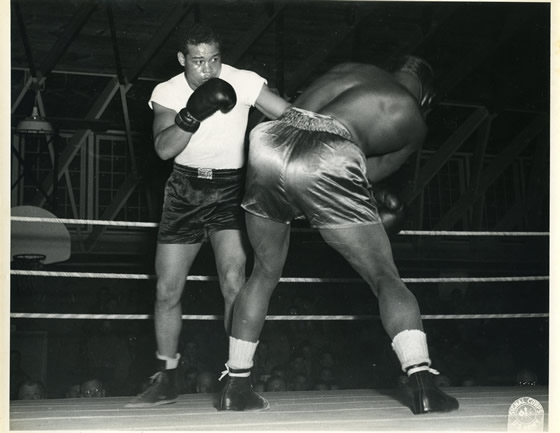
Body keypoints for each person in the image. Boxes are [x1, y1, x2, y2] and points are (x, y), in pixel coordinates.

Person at [217, 57, 459, 415]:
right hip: (329, 152)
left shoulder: (353, 69)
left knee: (263, 272)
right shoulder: (413, 117)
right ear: (426, 97)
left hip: (268, 140)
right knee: (384, 276)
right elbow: (369, 172)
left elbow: (297, 119)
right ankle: (423, 386)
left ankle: (235, 386)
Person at [126, 24, 290, 408]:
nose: (208, 69)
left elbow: (288, 114)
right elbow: (164, 150)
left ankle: (239, 378)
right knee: (167, 289)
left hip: (231, 191)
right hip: (184, 189)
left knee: (234, 280)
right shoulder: (167, 92)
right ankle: (166, 377)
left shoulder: (244, 81)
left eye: (214, 59)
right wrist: (191, 114)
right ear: (182, 59)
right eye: (198, 61)